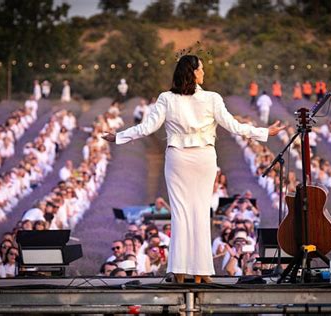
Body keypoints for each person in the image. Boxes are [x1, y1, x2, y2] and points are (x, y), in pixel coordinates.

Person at [102, 55, 285, 283]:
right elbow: (233, 126)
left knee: (180, 215)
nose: (204, 71)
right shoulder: (211, 98)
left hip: (178, 158)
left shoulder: (166, 99)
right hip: (203, 158)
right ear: (193, 72)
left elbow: (146, 127)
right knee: (200, 214)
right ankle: (202, 273)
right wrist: (264, 132)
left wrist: (118, 136)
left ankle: (179, 272)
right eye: (201, 68)